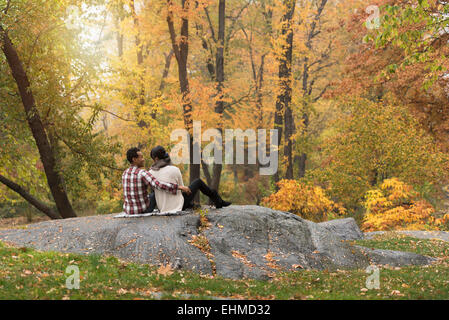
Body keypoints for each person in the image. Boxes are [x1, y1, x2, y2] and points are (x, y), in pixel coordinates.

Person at [148, 145, 231, 213]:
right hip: (179, 206)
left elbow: (154, 191)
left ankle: (197, 204)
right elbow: (184, 190)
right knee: (198, 182)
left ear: (156, 159)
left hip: (163, 207)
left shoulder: (150, 173)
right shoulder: (174, 169)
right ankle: (218, 200)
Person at [122, 147, 191, 215]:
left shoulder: (124, 173)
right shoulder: (142, 173)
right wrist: (180, 187)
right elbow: (159, 185)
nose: (143, 159)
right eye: (141, 157)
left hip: (128, 210)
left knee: (151, 192)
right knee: (155, 192)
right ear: (134, 159)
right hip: (142, 210)